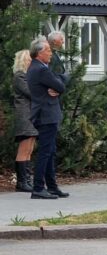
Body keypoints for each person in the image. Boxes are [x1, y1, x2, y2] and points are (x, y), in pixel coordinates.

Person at [26, 37, 68, 199]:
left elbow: (60, 81)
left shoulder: (37, 68)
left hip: (45, 114)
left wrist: (58, 82)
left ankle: (52, 186)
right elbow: (61, 85)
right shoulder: (41, 70)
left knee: (50, 151)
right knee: (45, 151)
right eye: (48, 51)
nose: (51, 53)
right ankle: (38, 187)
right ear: (39, 53)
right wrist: (58, 83)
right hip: (46, 114)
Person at [12, 50, 38, 192]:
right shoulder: (20, 77)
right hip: (24, 116)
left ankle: (27, 179)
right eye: (29, 59)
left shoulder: (29, 76)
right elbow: (31, 93)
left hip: (32, 116)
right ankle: (22, 182)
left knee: (29, 148)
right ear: (23, 61)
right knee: (24, 148)